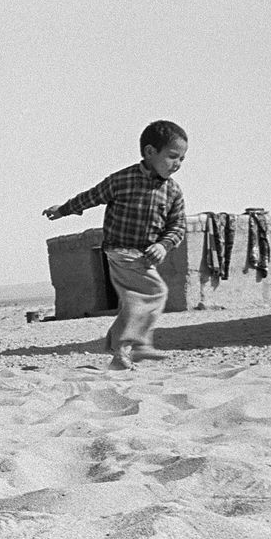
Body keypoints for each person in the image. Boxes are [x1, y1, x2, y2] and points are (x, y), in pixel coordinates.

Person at [42, 120, 188, 370]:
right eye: (173, 156)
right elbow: (92, 196)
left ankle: (120, 353)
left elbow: (178, 226)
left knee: (138, 298)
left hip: (144, 256)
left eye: (182, 159)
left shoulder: (173, 191)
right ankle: (137, 345)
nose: (177, 164)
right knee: (152, 293)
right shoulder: (123, 180)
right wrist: (64, 210)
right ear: (150, 152)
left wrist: (164, 245)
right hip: (120, 250)